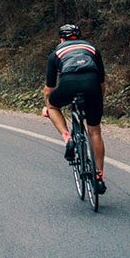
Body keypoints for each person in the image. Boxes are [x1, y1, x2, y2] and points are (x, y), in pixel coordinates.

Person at [43, 23, 107, 193]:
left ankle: (67, 138)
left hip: (68, 83)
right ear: (78, 37)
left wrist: (47, 107)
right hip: (92, 85)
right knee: (94, 132)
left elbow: (49, 90)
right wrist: (98, 100)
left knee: (52, 105)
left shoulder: (56, 53)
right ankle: (99, 175)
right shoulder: (92, 49)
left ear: (61, 38)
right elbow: (102, 83)